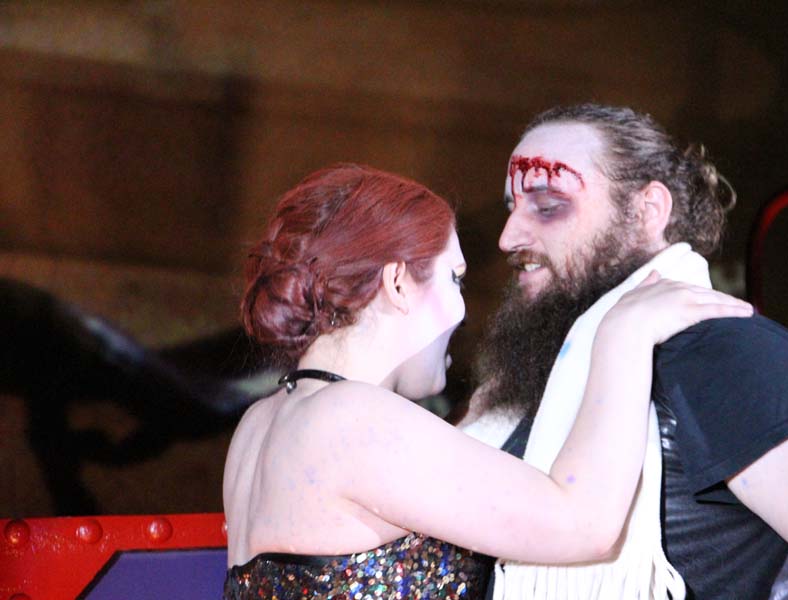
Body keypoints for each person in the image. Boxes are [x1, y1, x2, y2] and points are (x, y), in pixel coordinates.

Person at [221, 163, 752, 599]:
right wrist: (624, 333)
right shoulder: (351, 418)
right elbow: (581, 525)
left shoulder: (262, 422)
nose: (463, 310)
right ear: (398, 282)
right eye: (454, 279)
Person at [465, 103, 788, 599]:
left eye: (547, 206)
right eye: (511, 208)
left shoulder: (721, 350)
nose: (508, 237)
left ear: (648, 210)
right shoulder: (539, 382)